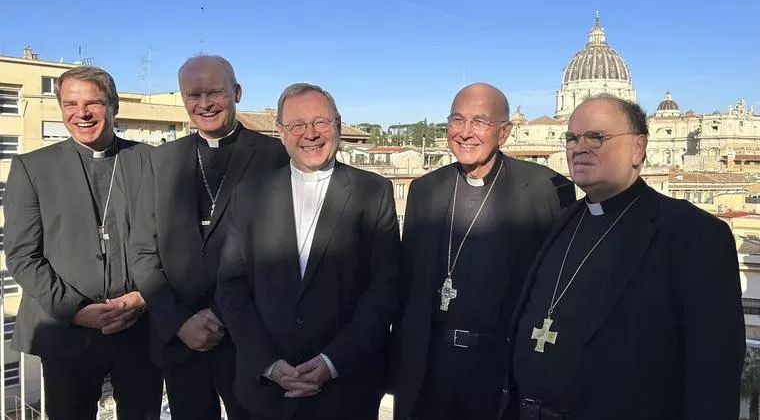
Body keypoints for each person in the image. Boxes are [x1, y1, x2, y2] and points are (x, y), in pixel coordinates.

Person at [505, 95, 745, 420]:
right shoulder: (564, 220)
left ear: (638, 148)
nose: (579, 147)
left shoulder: (696, 235)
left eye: (596, 137)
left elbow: (713, 372)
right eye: (572, 138)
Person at [390, 83, 575, 420]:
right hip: (429, 369)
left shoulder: (546, 189)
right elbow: (406, 285)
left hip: (500, 370)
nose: (465, 133)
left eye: (479, 122)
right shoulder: (425, 190)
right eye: (457, 120)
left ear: (504, 133)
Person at [216, 83, 400, 420]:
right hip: (266, 389)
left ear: (339, 126)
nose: (310, 134)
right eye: (297, 125)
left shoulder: (374, 192)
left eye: (321, 122)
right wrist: (268, 364)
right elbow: (231, 287)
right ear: (281, 133)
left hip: (346, 388)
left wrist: (332, 362)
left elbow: (384, 289)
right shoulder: (249, 195)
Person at [128, 55, 289, 419]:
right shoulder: (160, 161)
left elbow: (281, 251)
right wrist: (179, 321)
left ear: (237, 92)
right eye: (193, 95)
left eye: (215, 92)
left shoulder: (275, 156)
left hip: (251, 337)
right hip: (180, 338)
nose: (204, 104)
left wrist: (219, 315)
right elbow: (141, 251)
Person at [4, 66, 162, 419]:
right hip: (66, 331)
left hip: (140, 326)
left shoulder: (152, 161)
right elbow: (22, 256)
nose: (82, 113)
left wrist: (143, 296)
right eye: (70, 104)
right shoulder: (33, 168)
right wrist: (76, 310)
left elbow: (173, 241)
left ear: (114, 105)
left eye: (93, 102)